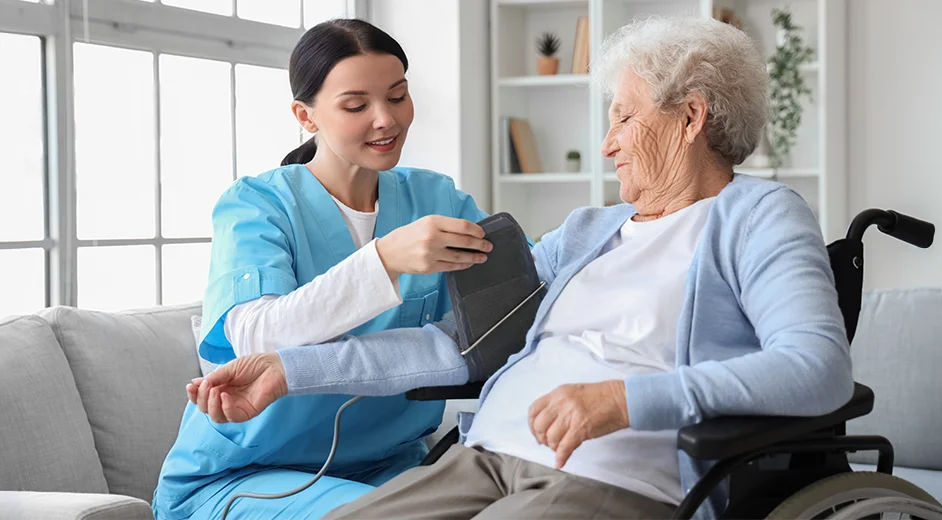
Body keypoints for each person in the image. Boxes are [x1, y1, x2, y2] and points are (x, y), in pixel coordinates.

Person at [190, 15, 854, 520]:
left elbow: (817, 369)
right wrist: (289, 369)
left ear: (690, 118)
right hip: (483, 458)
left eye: (623, 116)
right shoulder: (590, 229)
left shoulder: (759, 214)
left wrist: (626, 400)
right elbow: (459, 344)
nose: (607, 142)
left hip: (609, 475)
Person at [151, 19, 494, 520]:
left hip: (391, 464)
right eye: (357, 106)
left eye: (398, 97)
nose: (386, 120)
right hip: (248, 474)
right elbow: (256, 337)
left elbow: (526, 292)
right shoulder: (257, 205)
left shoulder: (436, 198)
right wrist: (386, 260)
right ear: (305, 116)